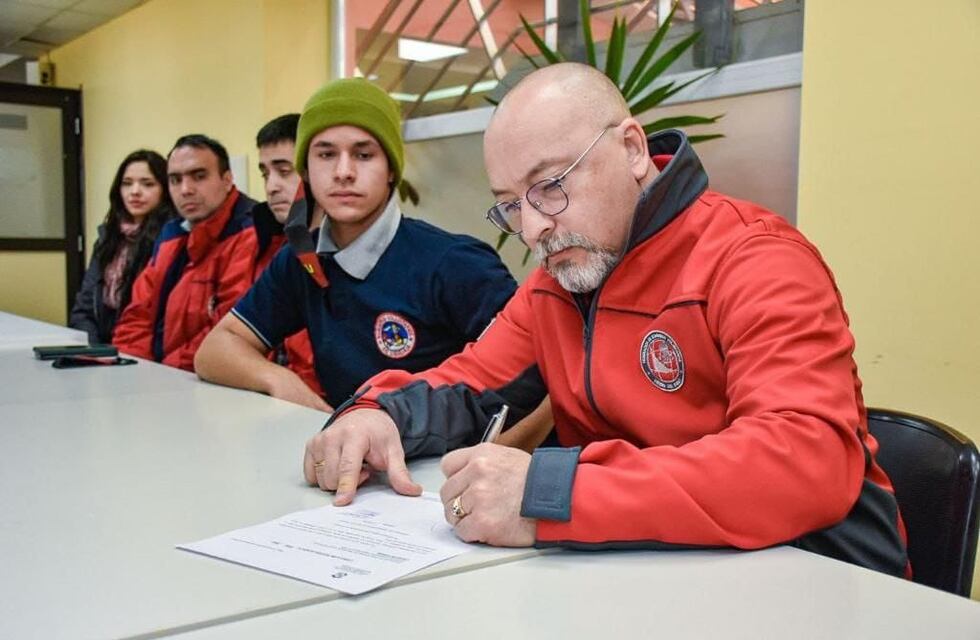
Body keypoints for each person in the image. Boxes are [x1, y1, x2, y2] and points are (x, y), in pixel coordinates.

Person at [301, 63, 910, 578]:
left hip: (813, 575)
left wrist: (553, 493)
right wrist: (376, 413)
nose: (534, 228)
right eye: (511, 206)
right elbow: (472, 381)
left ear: (632, 149)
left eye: (551, 186)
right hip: (654, 570)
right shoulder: (559, 280)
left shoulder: (754, 258)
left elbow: (805, 462)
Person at [194, 78, 518, 414]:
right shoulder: (303, 261)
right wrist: (281, 381)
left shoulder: (454, 263)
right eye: (326, 154)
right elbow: (215, 350)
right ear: (306, 169)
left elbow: (536, 378)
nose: (343, 172)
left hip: (440, 458)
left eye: (363, 155)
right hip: (347, 454)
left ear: (391, 168)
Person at [113, 135, 257, 371]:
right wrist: (131, 367)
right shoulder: (171, 233)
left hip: (212, 383)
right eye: (175, 180)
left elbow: (229, 333)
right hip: (161, 379)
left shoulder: (250, 233)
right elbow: (138, 313)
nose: (185, 190)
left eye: (199, 176)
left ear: (228, 179)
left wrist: (164, 375)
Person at [247, 113, 323, 399]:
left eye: (284, 170)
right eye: (265, 173)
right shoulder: (267, 246)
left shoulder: (334, 253)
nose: (271, 186)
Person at [70, 150, 175, 344]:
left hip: (142, 347)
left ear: (165, 189)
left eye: (148, 184)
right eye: (127, 183)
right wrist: (94, 349)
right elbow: (84, 306)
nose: (135, 191)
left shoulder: (170, 239)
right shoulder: (108, 236)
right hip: (99, 345)